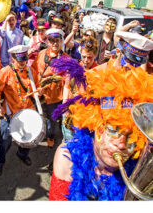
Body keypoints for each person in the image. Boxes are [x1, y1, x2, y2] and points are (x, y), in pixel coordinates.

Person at [49, 43, 153, 200]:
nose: (121, 144)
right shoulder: (67, 159)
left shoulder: (141, 167)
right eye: (113, 130)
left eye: (131, 136)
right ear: (96, 126)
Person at [0, 45, 42, 176]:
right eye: (19, 60)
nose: (22, 63)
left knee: (28, 139)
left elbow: (38, 87)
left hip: (28, 112)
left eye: (24, 59)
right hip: (11, 113)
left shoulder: (31, 71)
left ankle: (22, 154)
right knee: (4, 140)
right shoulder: (5, 71)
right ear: (12, 58)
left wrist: (39, 91)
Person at [32, 29, 70, 150]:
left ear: (61, 41)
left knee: (51, 119)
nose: (54, 43)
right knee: (39, 116)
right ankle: (40, 134)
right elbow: (33, 71)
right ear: (48, 41)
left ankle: (50, 136)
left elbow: (67, 80)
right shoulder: (42, 53)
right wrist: (37, 87)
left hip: (55, 96)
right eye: (52, 41)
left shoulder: (66, 58)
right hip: (40, 92)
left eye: (57, 41)